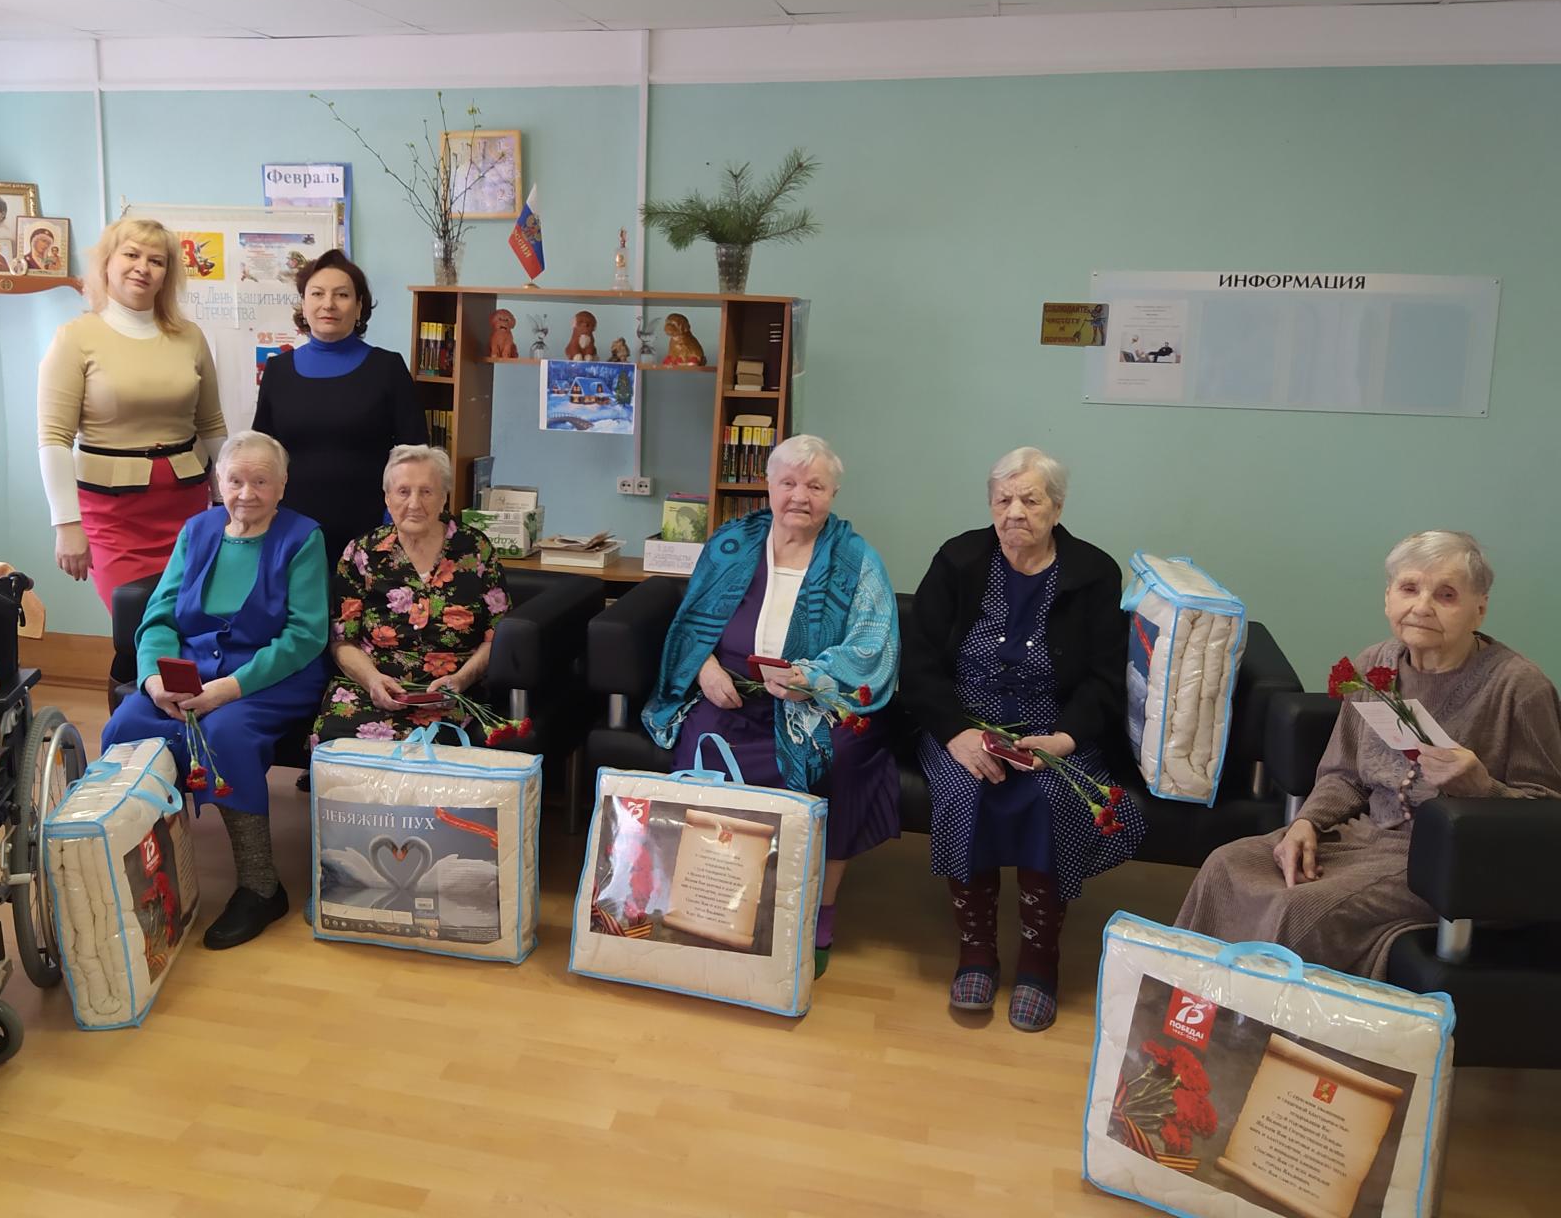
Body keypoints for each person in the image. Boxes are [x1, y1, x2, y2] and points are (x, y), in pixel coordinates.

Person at [1177, 531, 1561, 978]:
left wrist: (1482, 789)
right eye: (1409, 588)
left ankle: (1262, 1021)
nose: (1422, 607)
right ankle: (1188, 1006)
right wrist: (1306, 823)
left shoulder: (1519, 687)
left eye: (1447, 595)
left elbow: (1546, 813)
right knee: (1225, 866)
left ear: (1480, 608)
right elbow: (1343, 773)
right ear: (1388, 597)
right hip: (1361, 836)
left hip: (1444, 865)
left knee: (1300, 908)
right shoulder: (1375, 665)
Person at [905, 447, 1144, 1032]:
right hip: (966, 723)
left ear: (1056, 508)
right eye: (1003, 499)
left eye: (1030, 500)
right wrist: (957, 733)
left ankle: (1039, 959)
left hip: (1054, 729)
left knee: (1051, 798)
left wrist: (1064, 738)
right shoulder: (958, 559)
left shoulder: (1093, 573)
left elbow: (1105, 679)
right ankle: (977, 951)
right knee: (966, 790)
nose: (1015, 512)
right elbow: (919, 663)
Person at [643, 434, 898, 978]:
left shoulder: (857, 559)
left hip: (816, 704)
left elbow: (872, 642)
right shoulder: (731, 543)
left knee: (841, 758)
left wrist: (814, 679)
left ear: (833, 494)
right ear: (769, 486)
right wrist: (705, 669)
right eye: (789, 483)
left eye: (815, 486)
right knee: (701, 743)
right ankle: (713, 897)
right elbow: (691, 623)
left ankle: (819, 909)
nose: (800, 496)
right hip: (732, 693)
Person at [104, 432, 330, 948]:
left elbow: (305, 635)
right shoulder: (198, 530)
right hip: (188, 672)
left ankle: (260, 886)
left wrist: (229, 688)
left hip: (271, 675)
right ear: (217, 482)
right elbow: (159, 615)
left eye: (261, 481)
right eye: (235, 480)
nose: (247, 493)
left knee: (224, 734)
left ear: (282, 485)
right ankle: (150, 874)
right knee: (128, 725)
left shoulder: (303, 537)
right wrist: (153, 680)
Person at [38, 217, 226, 610]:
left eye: (156, 261)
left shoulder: (190, 336)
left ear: (166, 275)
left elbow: (211, 425)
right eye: (131, 255)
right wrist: (66, 524)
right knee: (137, 622)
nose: (143, 267)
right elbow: (54, 439)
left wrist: (226, 502)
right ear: (107, 262)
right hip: (112, 516)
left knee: (190, 618)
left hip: (187, 509)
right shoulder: (75, 337)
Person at [313, 445, 509, 745]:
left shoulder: (476, 550)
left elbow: (496, 638)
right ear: (387, 497)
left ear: (444, 497)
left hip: (451, 693)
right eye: (403, 492)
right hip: (372, 689)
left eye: (427, 492)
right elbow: (342, 640)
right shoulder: (363, 553)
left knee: (427, 749)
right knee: (335, 740)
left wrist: (462, 679)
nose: (414, 504)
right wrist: (372, 680)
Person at [252, 250, 425, 562]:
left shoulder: (387, 368)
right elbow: (260, 455)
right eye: (317, 294)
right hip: (291, 531)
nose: (328, 304)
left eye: (342, 295)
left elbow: (415, 455)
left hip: (372, 532)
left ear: (359, 307)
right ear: (303, 304)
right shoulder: (278, 371)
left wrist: (396, 520)